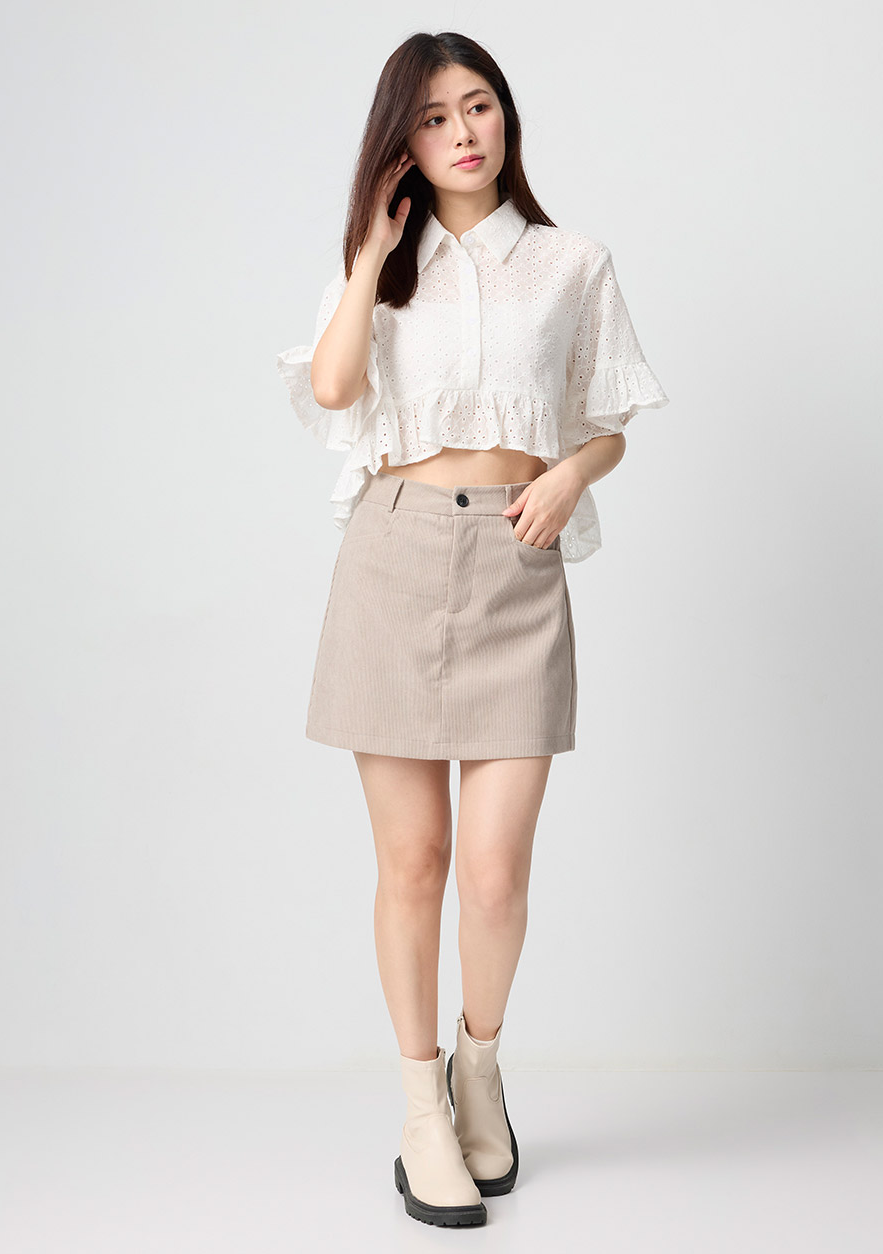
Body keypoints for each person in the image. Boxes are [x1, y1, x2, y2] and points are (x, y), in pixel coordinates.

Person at [277, 31, 669, 1228]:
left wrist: (570, 475)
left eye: (479, 105)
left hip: (516, 563)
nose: (463, 131)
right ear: (401, 141)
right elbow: (333, 389)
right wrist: (367, 257)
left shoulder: (571, 262)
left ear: (506, 118)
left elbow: (606, 417)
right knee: (414, 863)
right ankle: (418, 1111)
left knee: (495, 873)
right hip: (392, 559)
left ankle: (479, 1069)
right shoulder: (382, 269)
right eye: (436, 116)